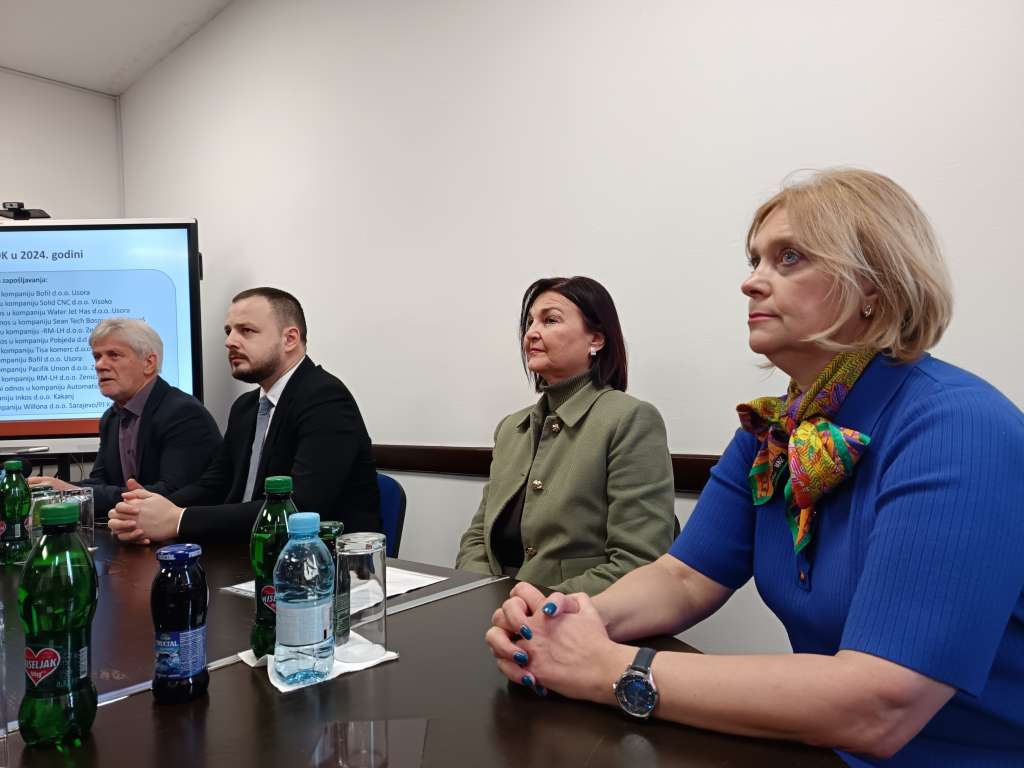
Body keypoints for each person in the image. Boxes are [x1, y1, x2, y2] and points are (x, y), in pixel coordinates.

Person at [485, 170, 1024, 765]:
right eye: (755, 260)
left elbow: (880, 705)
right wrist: (564, 620)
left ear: (874, 284)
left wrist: (609, 668)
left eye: (789, 257)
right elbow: (683, 578)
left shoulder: (959, 427)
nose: (750, 282)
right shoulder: (773, 432)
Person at [456, 276, 675, 596]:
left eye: (550, 320)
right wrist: (476, 592)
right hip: (494, 606)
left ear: (596, 339)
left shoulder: (629, 419)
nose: (531, 333)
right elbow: (477, 537)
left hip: (575, 612)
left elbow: (638, 562)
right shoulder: (511, 428)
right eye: (530, 322)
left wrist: (535, 605)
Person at [108, 287, 380, 542]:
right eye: (229, 331)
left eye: (246, 331)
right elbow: (214, 485)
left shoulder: (325, 398)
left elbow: (298, 507)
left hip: (322, 562)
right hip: (247, 553)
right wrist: (145, 510)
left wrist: (178, 519)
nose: (230, 342)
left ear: (290, 339)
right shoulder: (246, 407)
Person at [28, 318, 221, 517]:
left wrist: (74, 493)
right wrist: (53, 488)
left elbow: (171, 494)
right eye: (97, 356)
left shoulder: (182, 413)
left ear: (149, 363)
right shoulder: (110, 418)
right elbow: (99, 482)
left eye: (114, 355)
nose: (100, 365)